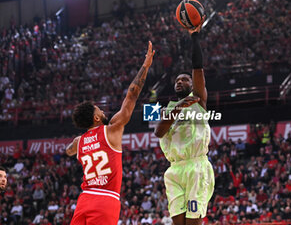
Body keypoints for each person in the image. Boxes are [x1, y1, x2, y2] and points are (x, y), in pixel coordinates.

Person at [66, 41, 155, 224]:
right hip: (106, 199)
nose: (103, 111)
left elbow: (68, 150)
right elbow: (131, 95)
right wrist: (145, 67)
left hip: (84, 199)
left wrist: (76, 146)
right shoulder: (112, 129)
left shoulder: (79, 141)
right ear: (96, 118)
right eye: (99, 110)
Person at [154, 19, 215, 225]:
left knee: (193, 223)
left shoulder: (198, 98)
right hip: (174, 169)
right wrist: (180, 107)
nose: (180, 81)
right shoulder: (168, 109)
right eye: (177, 80)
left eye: (184, 79)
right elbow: (159, 132)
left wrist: (195, 36)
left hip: (196, 166)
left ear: (191, 84)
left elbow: (198, 67)